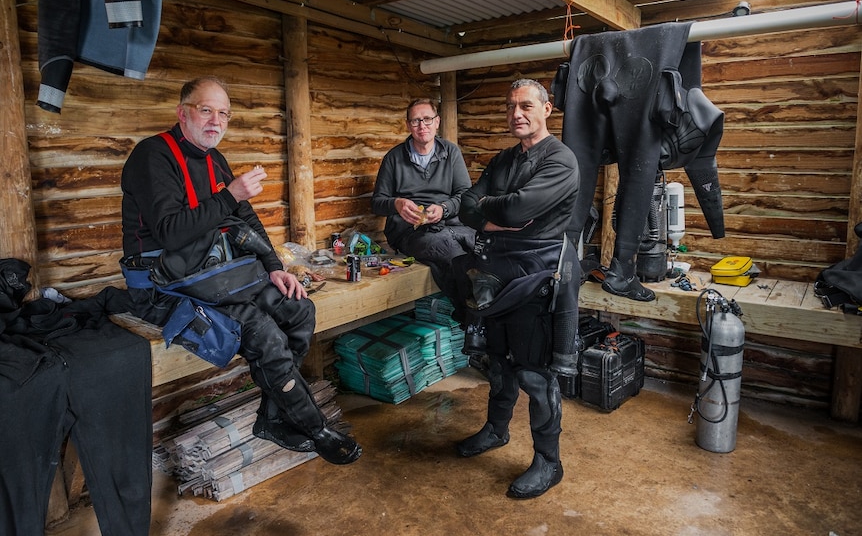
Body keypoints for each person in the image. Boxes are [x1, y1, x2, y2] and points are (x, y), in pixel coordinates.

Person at [120, 76, 361, 465]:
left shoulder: (215, 160)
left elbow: (244, 216)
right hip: (162, 287)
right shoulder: (153, 156)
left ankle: (270, 416)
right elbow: (170, 232)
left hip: (213, 275)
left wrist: (273, 267)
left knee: (299, 309)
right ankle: (314, 428)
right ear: (183, 113)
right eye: (206, 110)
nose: (217, 120)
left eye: (224, 114)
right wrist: (229, 195)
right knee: (261, 331)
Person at [453, 79, 581, 499]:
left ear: (547, 109)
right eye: (510, 107)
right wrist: (493, 214)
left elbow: (518, 207)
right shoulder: (504, 159)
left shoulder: (561, 161)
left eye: (526, 106)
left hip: (537, 278)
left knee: (534, 373)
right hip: (495, 273)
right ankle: (495, 430)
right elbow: (468, 203)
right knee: (498, 363)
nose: (516, 115)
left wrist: (494, 207)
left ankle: (549, 461)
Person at [371, 98, 475, 299]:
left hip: (449, 222)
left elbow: (465, 195)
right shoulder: (394, 158)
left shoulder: (450, 152)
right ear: (408, 125)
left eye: (427, 119)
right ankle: (470, 316)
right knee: (452, 253)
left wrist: (444, 208)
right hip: (408, 230)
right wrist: (396, 203)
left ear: (437, 122)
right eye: (416, 121)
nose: (422, 126)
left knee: (479, 245)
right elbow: (377, 202)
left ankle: (489, 311)